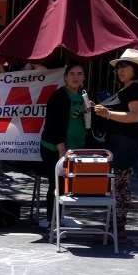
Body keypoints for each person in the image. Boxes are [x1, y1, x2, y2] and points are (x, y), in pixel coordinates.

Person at [92, 49, 138, 240]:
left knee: (116, 185)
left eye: (125, 66)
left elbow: (135, 116)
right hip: (120, 143)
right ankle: (116, 226)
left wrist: (107, 113)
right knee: (120, 185)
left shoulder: (137, 88)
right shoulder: (129, 88)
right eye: (119, 67)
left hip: (125, 144)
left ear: (136, 69)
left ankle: (115, 228)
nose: (121, 70)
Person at [38, 63, 88, 228]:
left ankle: (59, 217)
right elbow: (53, 125)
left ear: (84, 77)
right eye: (71, 74)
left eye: (79, 74)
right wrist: (61, 150)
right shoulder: (58, 96)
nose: (75, 77)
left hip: (74, 149)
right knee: (56, 185)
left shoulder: (83, 95)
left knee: (65, 186)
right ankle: (52, 221)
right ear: (65, 77)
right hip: (55, 149)